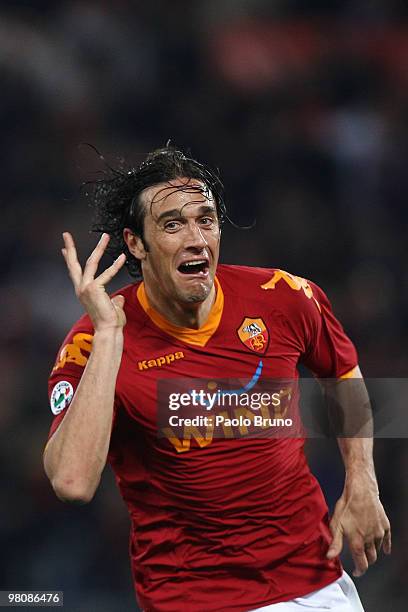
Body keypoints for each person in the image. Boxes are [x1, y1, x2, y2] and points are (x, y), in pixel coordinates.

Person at [44, 145, 391, 612]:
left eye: (205, 220)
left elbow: (342, 372)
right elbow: (71, 483)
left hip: (315, 586)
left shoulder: (285, 297)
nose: (196, 239)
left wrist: (362, 478)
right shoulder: (93, 341)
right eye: (172, 224)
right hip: (192, 599)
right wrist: (109, 336)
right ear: (136, 243)